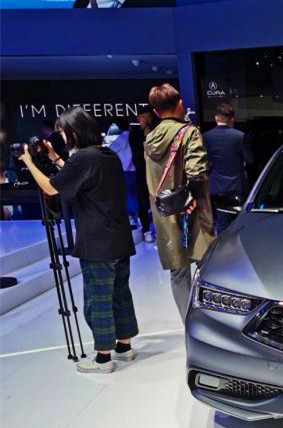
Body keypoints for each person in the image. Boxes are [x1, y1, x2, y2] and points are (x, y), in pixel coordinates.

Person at [18, 107, 138, 373]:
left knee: (98, 299)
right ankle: (124, 347)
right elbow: (76, 176)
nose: (61, 137)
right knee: (120, 295)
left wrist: (29, 162)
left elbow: (51, 187)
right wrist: (55, 158)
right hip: (119, 238)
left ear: (74, 132)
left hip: (97, 242)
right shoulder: (106, 154)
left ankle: (103, 359)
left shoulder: (83, 158)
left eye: (63, 132)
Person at [145, 83, 215, 322]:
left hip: (165, 214)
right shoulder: (189, 132)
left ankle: (189, 323)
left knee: (178, 273)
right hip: (192, 212)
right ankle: (209, 324)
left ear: (156, 112)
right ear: (180, 104)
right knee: (207, 269)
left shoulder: (150, 138)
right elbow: (197, 171)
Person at [203, 103, 253, 234]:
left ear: (216, 118)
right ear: (232, 119)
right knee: (240, 223)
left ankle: (222, 246)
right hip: (238, 187)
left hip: (216, 187)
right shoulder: (240, 136)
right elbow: (249, 159)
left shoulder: (206, 136)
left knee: (222, 223)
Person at [130, 105, 159, 242]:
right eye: (141, 117)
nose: (143, 119)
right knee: (142, 201)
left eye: (146, 116)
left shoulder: (157, 130)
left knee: (159, 200)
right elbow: (136, 152)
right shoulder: (135, 132)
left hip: (156, 172)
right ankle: (146, 230)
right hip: (141, 172)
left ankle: (161, 229)